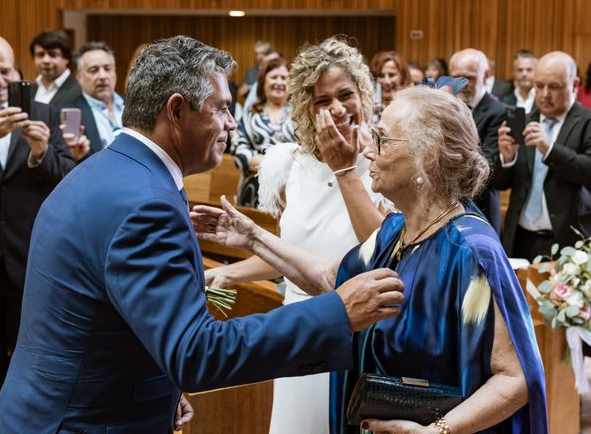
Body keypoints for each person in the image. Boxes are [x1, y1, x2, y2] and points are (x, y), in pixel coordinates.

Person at [0, 35, 406, 434]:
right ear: (176, 111)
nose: (230, 123)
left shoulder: (103, 171)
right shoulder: (146, 203)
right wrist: (337, 312)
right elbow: (196, 353)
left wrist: (163, 388)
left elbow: (105, 315)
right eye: (221, 108)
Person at [194, 86, 548, 434]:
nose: (367, 151)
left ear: (430, 156)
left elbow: (517, 378)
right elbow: (332, 280)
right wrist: (252, 237)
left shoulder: (470, 251)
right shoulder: (395, 231)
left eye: (381, 139)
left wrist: (438, 430)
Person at [208, 37, 390, 434]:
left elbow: (383, 252)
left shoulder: (384, 164)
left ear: (364, 93)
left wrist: (347, 170)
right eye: (323, 101)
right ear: (307, 109)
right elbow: (288, 253)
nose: (338, 109)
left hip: (358, 328)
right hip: (298, 324)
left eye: (346, 95)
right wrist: (228, 275)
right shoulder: (287, 164)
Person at [0, 33, 76, 433]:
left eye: (6, 70)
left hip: (31, 261)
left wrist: (41, 153)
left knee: (37, 367)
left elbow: (69, 182)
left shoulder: (44, 110)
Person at [493, 51, 591, 261]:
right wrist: (506, 159)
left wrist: (550, 149)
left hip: (569, 241)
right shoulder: (524, 121)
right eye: (539, 86)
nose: (545, 94)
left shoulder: (586, 122)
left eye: (554, 86)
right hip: (520, 239)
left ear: (574, 84)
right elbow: (500, 183)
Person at [449, 48, 506, 234]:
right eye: (456, 77)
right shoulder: (446, 108)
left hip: (481, 208)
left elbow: (487, 165)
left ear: (487, 75)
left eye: (470, 77)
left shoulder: (499, 112)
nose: (462, 84)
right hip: (444, 208)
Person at [234, 57, 293, 206]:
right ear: (263, 82)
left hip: (292, 191)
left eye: (284, 78)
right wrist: (268, 165)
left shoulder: (301, 113)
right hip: (253, 192)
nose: (279, 82)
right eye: (274, 77)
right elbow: (238, 147)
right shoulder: (251, 112)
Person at [57, 41, 123, 156]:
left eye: (107, 69)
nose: (102, 76)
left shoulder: (132, 105)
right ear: (79, 77)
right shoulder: (69, 113)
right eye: (94, 70)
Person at [29, 30, 82, 105]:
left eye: (52, 54)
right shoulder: (29, 90)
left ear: (67, 58)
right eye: (40, 55)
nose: (46, 60)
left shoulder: (80, 91)